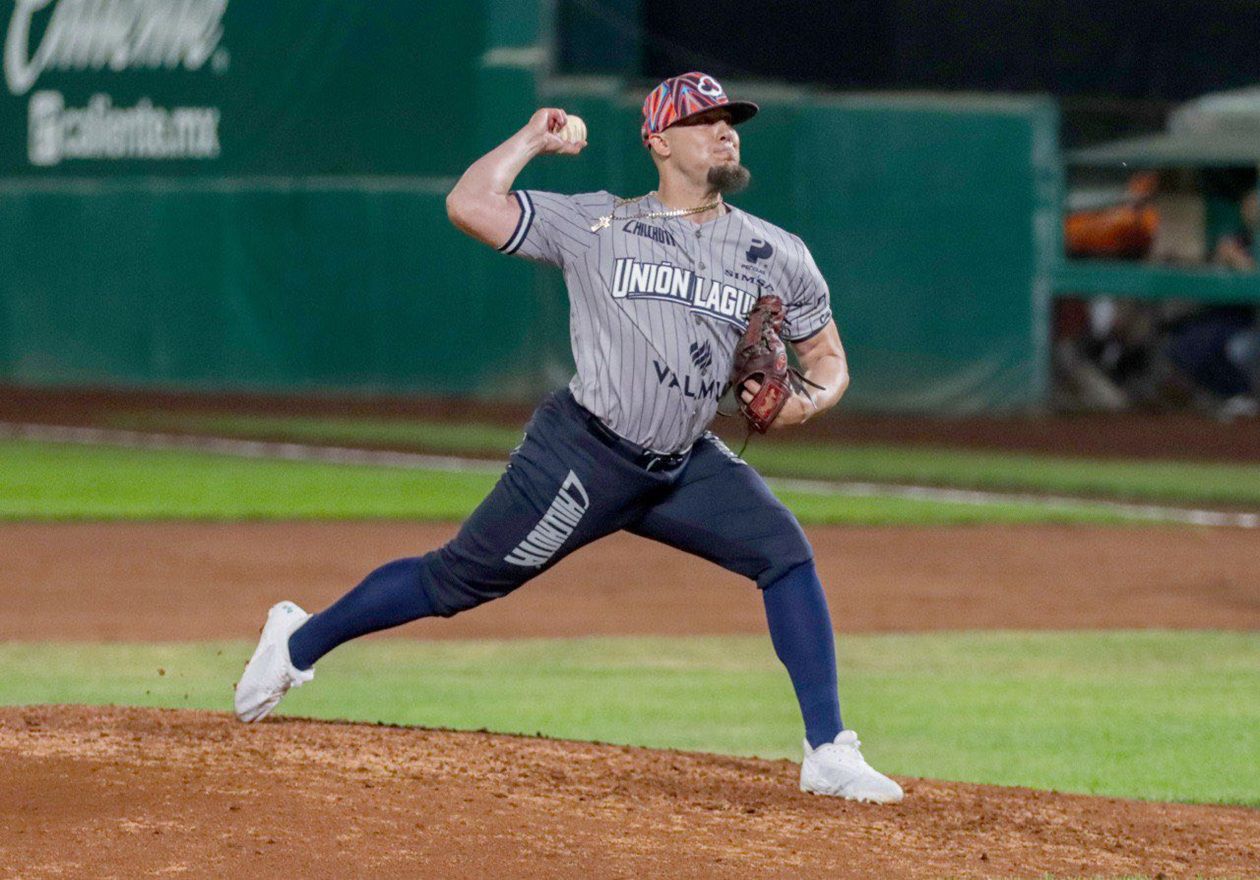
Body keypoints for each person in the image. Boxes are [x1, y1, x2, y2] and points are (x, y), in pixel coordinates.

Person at [234, 71, 903, 804]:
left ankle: (828, 750)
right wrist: (530, 140)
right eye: (704, 120)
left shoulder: (776, 252)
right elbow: (468, 205)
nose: (724, 131)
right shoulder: (599, 224)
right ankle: (296, 643)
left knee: (785, 555)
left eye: (730, 120)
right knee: (454, 581)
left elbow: (827, 358)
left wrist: (808, 402)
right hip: (584, 456)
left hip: (682, 464)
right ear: (658, 142)